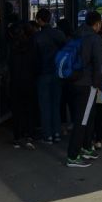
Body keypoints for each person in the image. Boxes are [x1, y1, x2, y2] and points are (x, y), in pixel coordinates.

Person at [66, 11, 102, 167]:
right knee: (83, 119)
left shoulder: (76, 34)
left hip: (72, 81)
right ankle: (73, 156)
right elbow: (100, 65)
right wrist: (99, 85)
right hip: (87, 84)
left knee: (85, 116)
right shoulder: (95, 39)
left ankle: (86, 147)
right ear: (97, 23)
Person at [34, 8, 67, 144]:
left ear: (39, 20)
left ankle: (48, 135)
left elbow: (34, 58)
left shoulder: (36, 37)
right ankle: (57, 133)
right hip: (57, 74)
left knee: (45, 105)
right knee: (56, 104)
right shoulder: (59, 34)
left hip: (42, 74)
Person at [7, 22, 37, 149]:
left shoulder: (10, 47)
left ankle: (17, 138)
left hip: (15, 82)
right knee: (29, 109)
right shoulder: (31, 45)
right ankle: (29, 135)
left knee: (17, 111)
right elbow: (36, 64)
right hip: (29, 82)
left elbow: (8, 66)